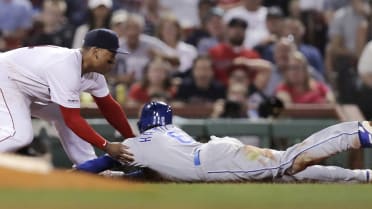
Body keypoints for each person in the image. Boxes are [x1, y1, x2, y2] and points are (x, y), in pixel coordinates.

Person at [77, 101, 372, 183]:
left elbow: (98, 162)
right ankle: (364, 176)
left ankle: (357, 131)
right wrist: (117, 178)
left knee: (289, 160)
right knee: (290, 174)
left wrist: (73, 176)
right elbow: (157, 174)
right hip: (218, 156)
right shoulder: (168, 138)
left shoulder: (136, 142)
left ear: (142, 122)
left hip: (215, 163)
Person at [0, 28, 134, 164]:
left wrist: (132, 138)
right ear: (95, 52)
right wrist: (107, 146)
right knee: (19, 136)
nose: (114, 60)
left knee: (61, 116)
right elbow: (72, 119)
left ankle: (89, 165)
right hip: (6, 78)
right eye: (111, 54)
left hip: (27, 88)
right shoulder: (66, 67)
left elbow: (109, 107)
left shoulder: (94, 75)